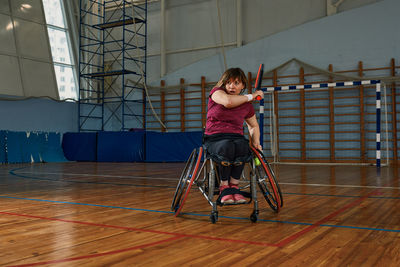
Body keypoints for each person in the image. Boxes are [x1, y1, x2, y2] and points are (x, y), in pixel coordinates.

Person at [203, 67, 264, 204]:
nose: (232, 86)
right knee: (227, 146)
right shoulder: (216, 93)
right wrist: (252, 96)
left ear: (242, 86)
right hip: (214, 138)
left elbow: (253, 126)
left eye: (236, 83)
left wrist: (256, 142)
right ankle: (224, 187)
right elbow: (228, 102)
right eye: (229, 82)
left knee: (243, 146)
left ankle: (234, 186)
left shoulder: (246, 105)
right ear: (224, 83)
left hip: (236, 137)